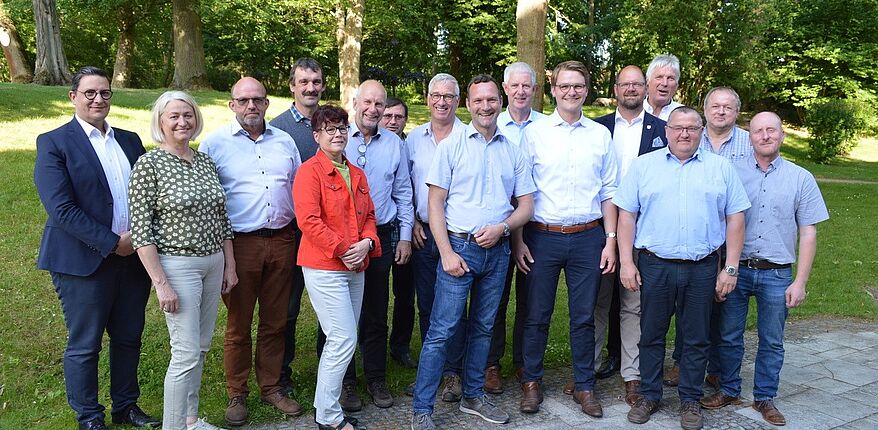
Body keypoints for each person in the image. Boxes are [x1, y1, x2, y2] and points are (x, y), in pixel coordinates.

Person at [34, 66, 161, 430]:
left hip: (134, 259)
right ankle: (89, 417)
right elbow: (61, 209)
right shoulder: (54, 142)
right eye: (89, 93)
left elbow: (149, 195)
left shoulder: (130, 140)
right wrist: (112, 243)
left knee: (128, 338)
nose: (98, 99)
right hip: (83, 261)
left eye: (104, 92)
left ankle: (126, 407)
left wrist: (137, 239)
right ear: (73, 96)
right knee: (85, 344)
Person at [411, 74, 536, 430]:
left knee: (483, 327)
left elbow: (526, 205)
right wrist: (446, 253)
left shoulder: (512, 150)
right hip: (459, 249)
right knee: (442, 330)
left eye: (491, 100)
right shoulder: (452, 146)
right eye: (478, 100)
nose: (485, 106)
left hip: (497, 252)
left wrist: (503, 229)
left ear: (501, 102)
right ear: (468, 104)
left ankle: (473, 395)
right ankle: (422, 408)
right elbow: (435, 204)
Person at [614, 106, 750, 430]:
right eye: (678, 127)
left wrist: (731, 267)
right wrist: (627, 262)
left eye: (692, 128)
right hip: (655, 265)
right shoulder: (644, 166)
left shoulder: (721, 168)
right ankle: (649, 394)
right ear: (666, 131)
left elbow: (736, 218)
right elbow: (627, 215)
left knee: (696, 337)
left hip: (702, 267)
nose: (684, 133)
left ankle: (690, 399)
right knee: (651, 334)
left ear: (701, 131)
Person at [700, 112, 828, 427]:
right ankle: (728, 389)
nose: (765, 136)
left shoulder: (801, 178)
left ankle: (765, 397)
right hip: (737, 270)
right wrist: (721, 269)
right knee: (729, 335)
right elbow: (716, 221)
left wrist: (800, 281)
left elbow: (808, 233)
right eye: (758, 131)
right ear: (750, 138)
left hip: (777, 273)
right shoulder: (732, 173)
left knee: (772, 339)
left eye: (772, 130)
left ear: (782, 135)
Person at [129, 91, 236, 430]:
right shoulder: (149, 164)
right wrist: (161, 283)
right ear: (160, 121)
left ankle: (190, 420)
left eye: (187, 115)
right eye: (173, 116)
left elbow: (222, 218)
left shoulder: (204, 161)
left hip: (213, 262)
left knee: (200, 348)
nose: (182, 122)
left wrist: (230, 264)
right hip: (177, 265)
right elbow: (141, 231)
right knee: (185, 353)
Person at [516, 60, 618, 417]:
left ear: (586, 90)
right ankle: (531, 382)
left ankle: (585, 386)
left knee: (584, 316)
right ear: (553, 90)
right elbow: (522, 190)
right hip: (542, 237)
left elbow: (609, 191)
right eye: (564, 86)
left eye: (577, 86)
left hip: (588, 237)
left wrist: (610, 240)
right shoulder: (535, 133)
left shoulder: (600, 135)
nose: (571, 92)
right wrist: (518, 241)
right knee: (536, 314)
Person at [199, 77, 303, 425]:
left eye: (257, 99)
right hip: (239, 245)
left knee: (276, 320)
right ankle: (237, 393)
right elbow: (208, 201)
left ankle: (271, 386)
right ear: (232, 105)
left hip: (282, 240)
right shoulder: (215, 144)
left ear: (267, 103)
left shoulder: (285, 141)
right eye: (243, 100)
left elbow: (298, 188)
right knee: (239, 324)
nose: (251, 106)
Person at [323, 80, 413, 410]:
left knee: (375, 311)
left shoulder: (394, 143)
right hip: (340, 242)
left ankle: (376, 377)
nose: (373, 109)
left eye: (379, 104)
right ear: (355, 102)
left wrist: (405, 236)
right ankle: (345, 382)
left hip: (380, 238)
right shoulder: (337, 137)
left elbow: (403, 192)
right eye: (368, 102)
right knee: (339, 315)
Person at [293, 104, 380, 430]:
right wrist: (344, 249)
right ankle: (328, 417)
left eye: (342, 128)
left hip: (356, 265)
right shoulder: (309, 172)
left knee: (343, 338)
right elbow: (308, 220)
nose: (338, 134)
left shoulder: (356, 173)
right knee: (342, 338)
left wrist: (367, 243)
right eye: (329, 129)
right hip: (324, 265)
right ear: (317, 135)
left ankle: (325, 409)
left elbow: (369, 216)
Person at [590, 65, 668, 405]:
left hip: (645, 231)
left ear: (646, 88)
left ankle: (632, 375)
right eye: (626, 84)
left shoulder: (663, 131)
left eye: (637, 84)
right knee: (595, 302)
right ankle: (589, 369)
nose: (632, 89)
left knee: (634, 304)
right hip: (600, 230)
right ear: (616, 89)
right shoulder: (596, 129)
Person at [666, 86, 752, 388]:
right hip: (695, 235)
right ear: (705, 111)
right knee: (688, 305)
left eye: (728, 107)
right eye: (715, 106)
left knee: (722, 306)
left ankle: (716, 367)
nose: (721, 111)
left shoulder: (748, 142)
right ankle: (682, 363)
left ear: (736, 112)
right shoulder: (691, 138)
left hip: (732, 234)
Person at [405, 73, 468, 401]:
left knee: (454, 309)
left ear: (458, 101)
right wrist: (413, 222)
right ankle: (431, 373)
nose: (442, 102)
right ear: (428, 99)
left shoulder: (469, 137)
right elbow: (405, 185)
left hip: (456, 236)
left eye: (449, 96)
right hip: (423, 234)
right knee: (427, 305)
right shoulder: (414, 138)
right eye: (436, 96)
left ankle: (453, 374)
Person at [484, 61, 547, 394]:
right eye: (515, 86)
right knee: (494, 297)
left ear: (534, 90)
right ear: (505, 89)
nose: (521, 91)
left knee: (530, 298)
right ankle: (490, 363)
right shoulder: (492, 124)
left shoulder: (548, 128)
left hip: (535, 226)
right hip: (496, 224)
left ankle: (524, 361)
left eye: (527, 86)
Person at [268, 57, 325, 398]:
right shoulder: (276, 129)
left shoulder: (332, 123)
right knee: (286, 309)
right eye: (303, 81)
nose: (310, 88)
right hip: (292, 234)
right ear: (292, 86)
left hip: (329, 236)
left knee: (329, 309)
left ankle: (331, 372)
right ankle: (280, 374)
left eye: (316, 81)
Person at [380, 96, 419, 370]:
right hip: (381, 229)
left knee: (405, 294)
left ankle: (400, 346)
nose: (393, 122)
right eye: (388, 116)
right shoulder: (374, 146)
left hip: (409, 228)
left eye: (399, 117)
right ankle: (371, 346)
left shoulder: (412, 145)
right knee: (376, 293)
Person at [643, 54, 683, 121]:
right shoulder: (634, 111)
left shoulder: (683, 115)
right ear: (647, 81)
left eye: (670, 78)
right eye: (659, 77)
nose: (664, 83)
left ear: (676, 85)